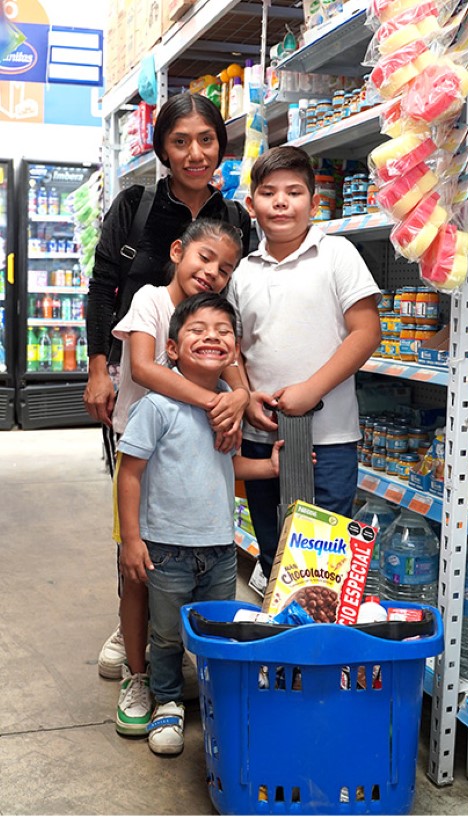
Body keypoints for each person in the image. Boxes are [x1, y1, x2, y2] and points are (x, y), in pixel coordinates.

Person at [84, 91, 251, 679]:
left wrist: (241, 391)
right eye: (180, 141)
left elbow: (224, 320)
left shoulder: (234, 220)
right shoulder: (136, 205)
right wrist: (99, 366)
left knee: (186, 518)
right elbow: (104, 287)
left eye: (206, 139)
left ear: (220, 146)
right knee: (136, 524)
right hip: (139, 403)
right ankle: (134, 633)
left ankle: (166, 630)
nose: (194, 152)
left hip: (202, 408)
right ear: (162, 148)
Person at [117, 292, 282, 755]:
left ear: (234, 349)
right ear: (171, 349)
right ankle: (167, 701)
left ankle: (214, 698)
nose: (212, 336)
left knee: (216, 626)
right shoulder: (157, 406)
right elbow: (129, 473)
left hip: (220, 548)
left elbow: (227, 467)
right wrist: (132, 540)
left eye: (223, 331)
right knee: (167, 632)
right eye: (197, 330)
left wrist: (267, 467)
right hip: (165, 547)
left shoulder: (229, 402)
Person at [110, 219, 249, 737]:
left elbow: (239, 384)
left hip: (210, 535)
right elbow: (144, 370)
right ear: (177, 251)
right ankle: (141, 673)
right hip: (143, 460)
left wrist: (241, 397)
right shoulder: (149, 299)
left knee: (194, 609)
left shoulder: (213, 331)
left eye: (226, 268)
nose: (212, 272)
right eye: (205, 258)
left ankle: (179, 676)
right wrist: (220, 400)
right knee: (137, 577)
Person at [227, 145, 382, 578]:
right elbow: (234, 347)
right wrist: (244, 393)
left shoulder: (337, 255)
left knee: (324, 560)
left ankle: (315, 640)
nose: (280, 202)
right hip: (264, 437)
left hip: (329, 438)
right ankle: (281, 638)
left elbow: (367, 331)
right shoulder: (243, 272)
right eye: (268, 192)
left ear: (314, 204)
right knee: (274, 548)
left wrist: (310, 391)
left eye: (293, 192)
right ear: (251, 205)